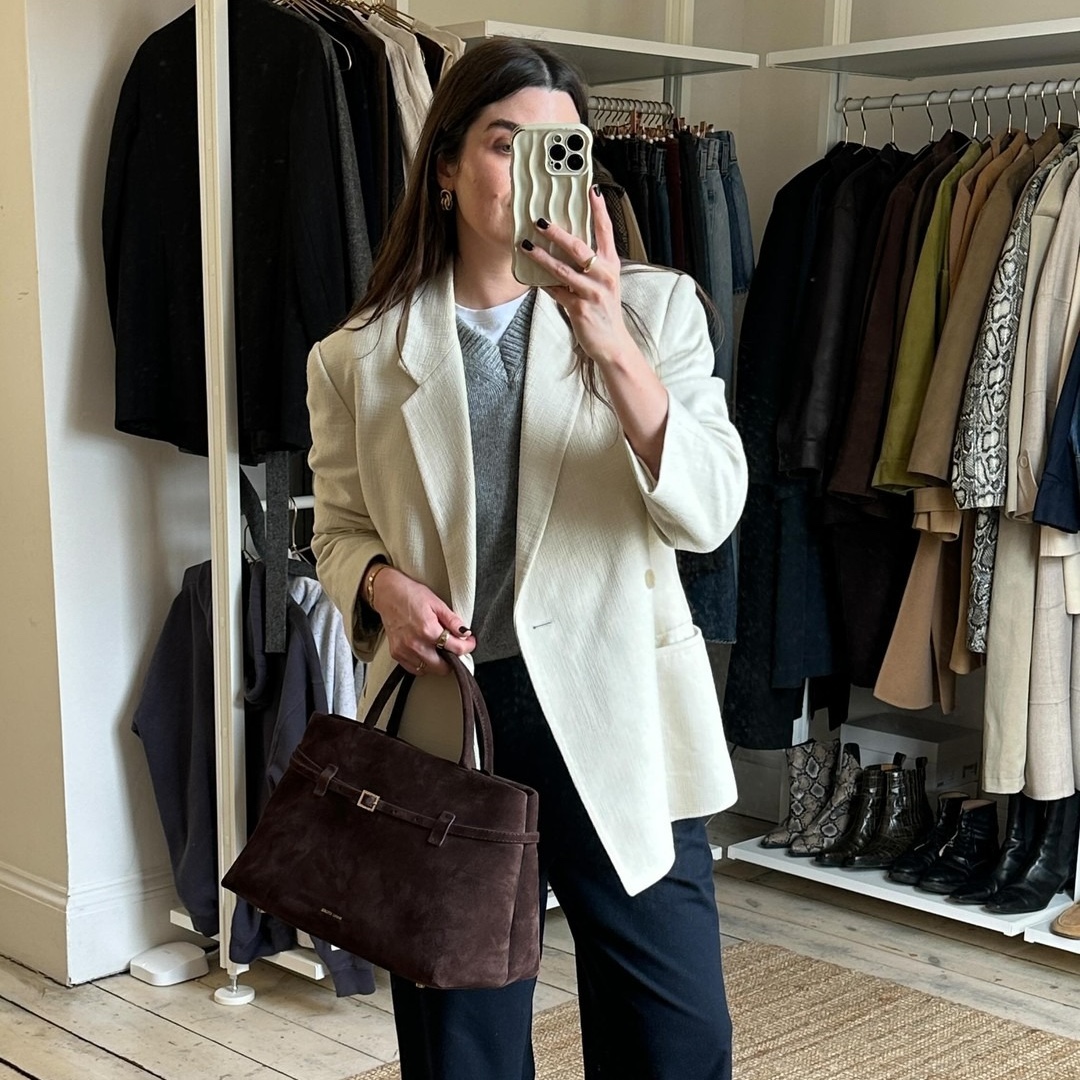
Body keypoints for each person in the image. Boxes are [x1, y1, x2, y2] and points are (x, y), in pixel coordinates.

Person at [306, 37, 747, 1080]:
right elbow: (335, 528)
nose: (532, 168)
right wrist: (378, 587)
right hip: (454, 722)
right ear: (449, 164)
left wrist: (607, 336)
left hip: (620, 712)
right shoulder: (356, 357)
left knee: (676, 1043)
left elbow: (711, 511)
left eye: (560, 145)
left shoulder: (657, 311)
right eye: (506, 143)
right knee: (465, 1053)